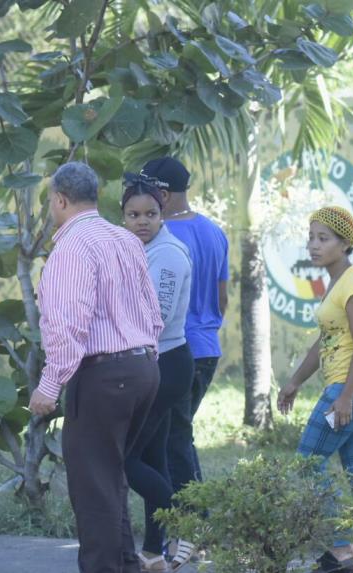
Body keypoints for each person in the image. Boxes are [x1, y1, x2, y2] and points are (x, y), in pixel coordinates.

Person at [28, 162, 163, 573]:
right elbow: (151, 312)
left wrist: (49, 386)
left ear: (60, 200)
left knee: (94, 489)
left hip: (104, 375)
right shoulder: (124, 238)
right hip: (143, 370)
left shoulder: (71, 247)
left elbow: (69, 323)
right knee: (111, 477)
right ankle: (126, 564)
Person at [277, 206, 353, 573]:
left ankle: (344, 548)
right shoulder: (336, 284)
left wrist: (345, 397)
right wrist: (294, 382)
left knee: (309, 462)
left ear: (345, 243)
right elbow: (323, 344)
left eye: (323, 239)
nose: (314, 245)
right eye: (311, 238)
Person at [140, 157, 229, 493]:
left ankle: (193, 526)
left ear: (162, 193)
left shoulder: (161, 236)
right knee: (177, 436)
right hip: (207, 349)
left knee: (172, 442)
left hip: (176, 350)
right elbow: (223, 300)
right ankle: (188, 524)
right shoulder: (214, 232)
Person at [120, 174, 195, 572]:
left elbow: (158, 318)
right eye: (133, 214)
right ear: (123, 215)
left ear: (162, 210)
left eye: (150, 213)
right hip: (154, 364)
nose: (142, 221)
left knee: (123, 458)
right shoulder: (133, 247)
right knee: (154, 458)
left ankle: (186, 523)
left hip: (166, 365)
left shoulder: (166, 254)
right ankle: (153, 551)